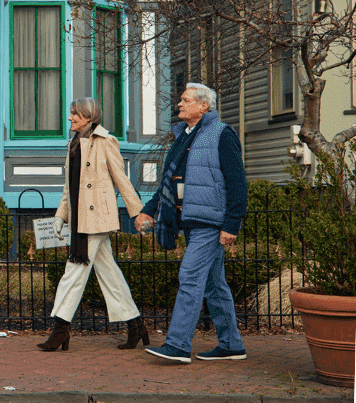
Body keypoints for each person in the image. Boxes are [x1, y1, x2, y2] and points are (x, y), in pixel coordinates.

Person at [135, 83, 248, 363]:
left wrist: (232, 224)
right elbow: (168, 183)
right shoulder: (183, 136)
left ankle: (177, 345)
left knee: (189, 278)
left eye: (186, 101)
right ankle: (232, 344)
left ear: (203, 106)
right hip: (190, 221)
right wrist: (149, 210)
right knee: (214, 285)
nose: (179, 105)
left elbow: (237, 184)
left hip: (209, 223)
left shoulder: (221, 135)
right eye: (181, 101)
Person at [38, 97, 147, 351]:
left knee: (72, 273)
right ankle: (136, 324)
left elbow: (121, 179)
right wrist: (60, 215)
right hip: (80, 218)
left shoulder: (106, 141)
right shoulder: (73, 144)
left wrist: (137, 212)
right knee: (110, 275)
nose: (70, 118)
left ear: (88, 117)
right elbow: (69, 187)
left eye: (75, 114)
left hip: (96, 218)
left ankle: (60, 328)